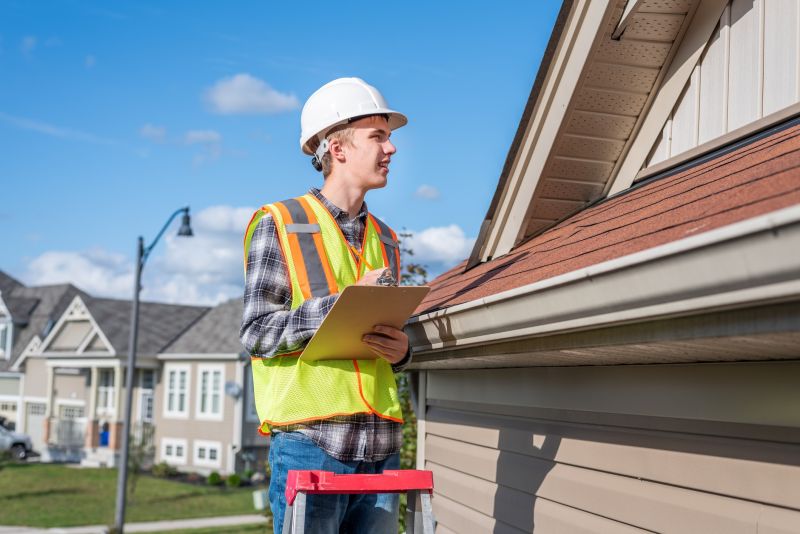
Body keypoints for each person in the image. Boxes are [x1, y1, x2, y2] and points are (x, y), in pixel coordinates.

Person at [240, 77, 411, 533]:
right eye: (378, 136)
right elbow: (256, 332)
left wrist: (402, 352)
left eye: (389, 137)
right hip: (312, 443)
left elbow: (380, 343)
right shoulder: (281, 223)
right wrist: (343, 304)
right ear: (337, 149)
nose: (391, 149)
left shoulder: (387, 241)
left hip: (381, 447)